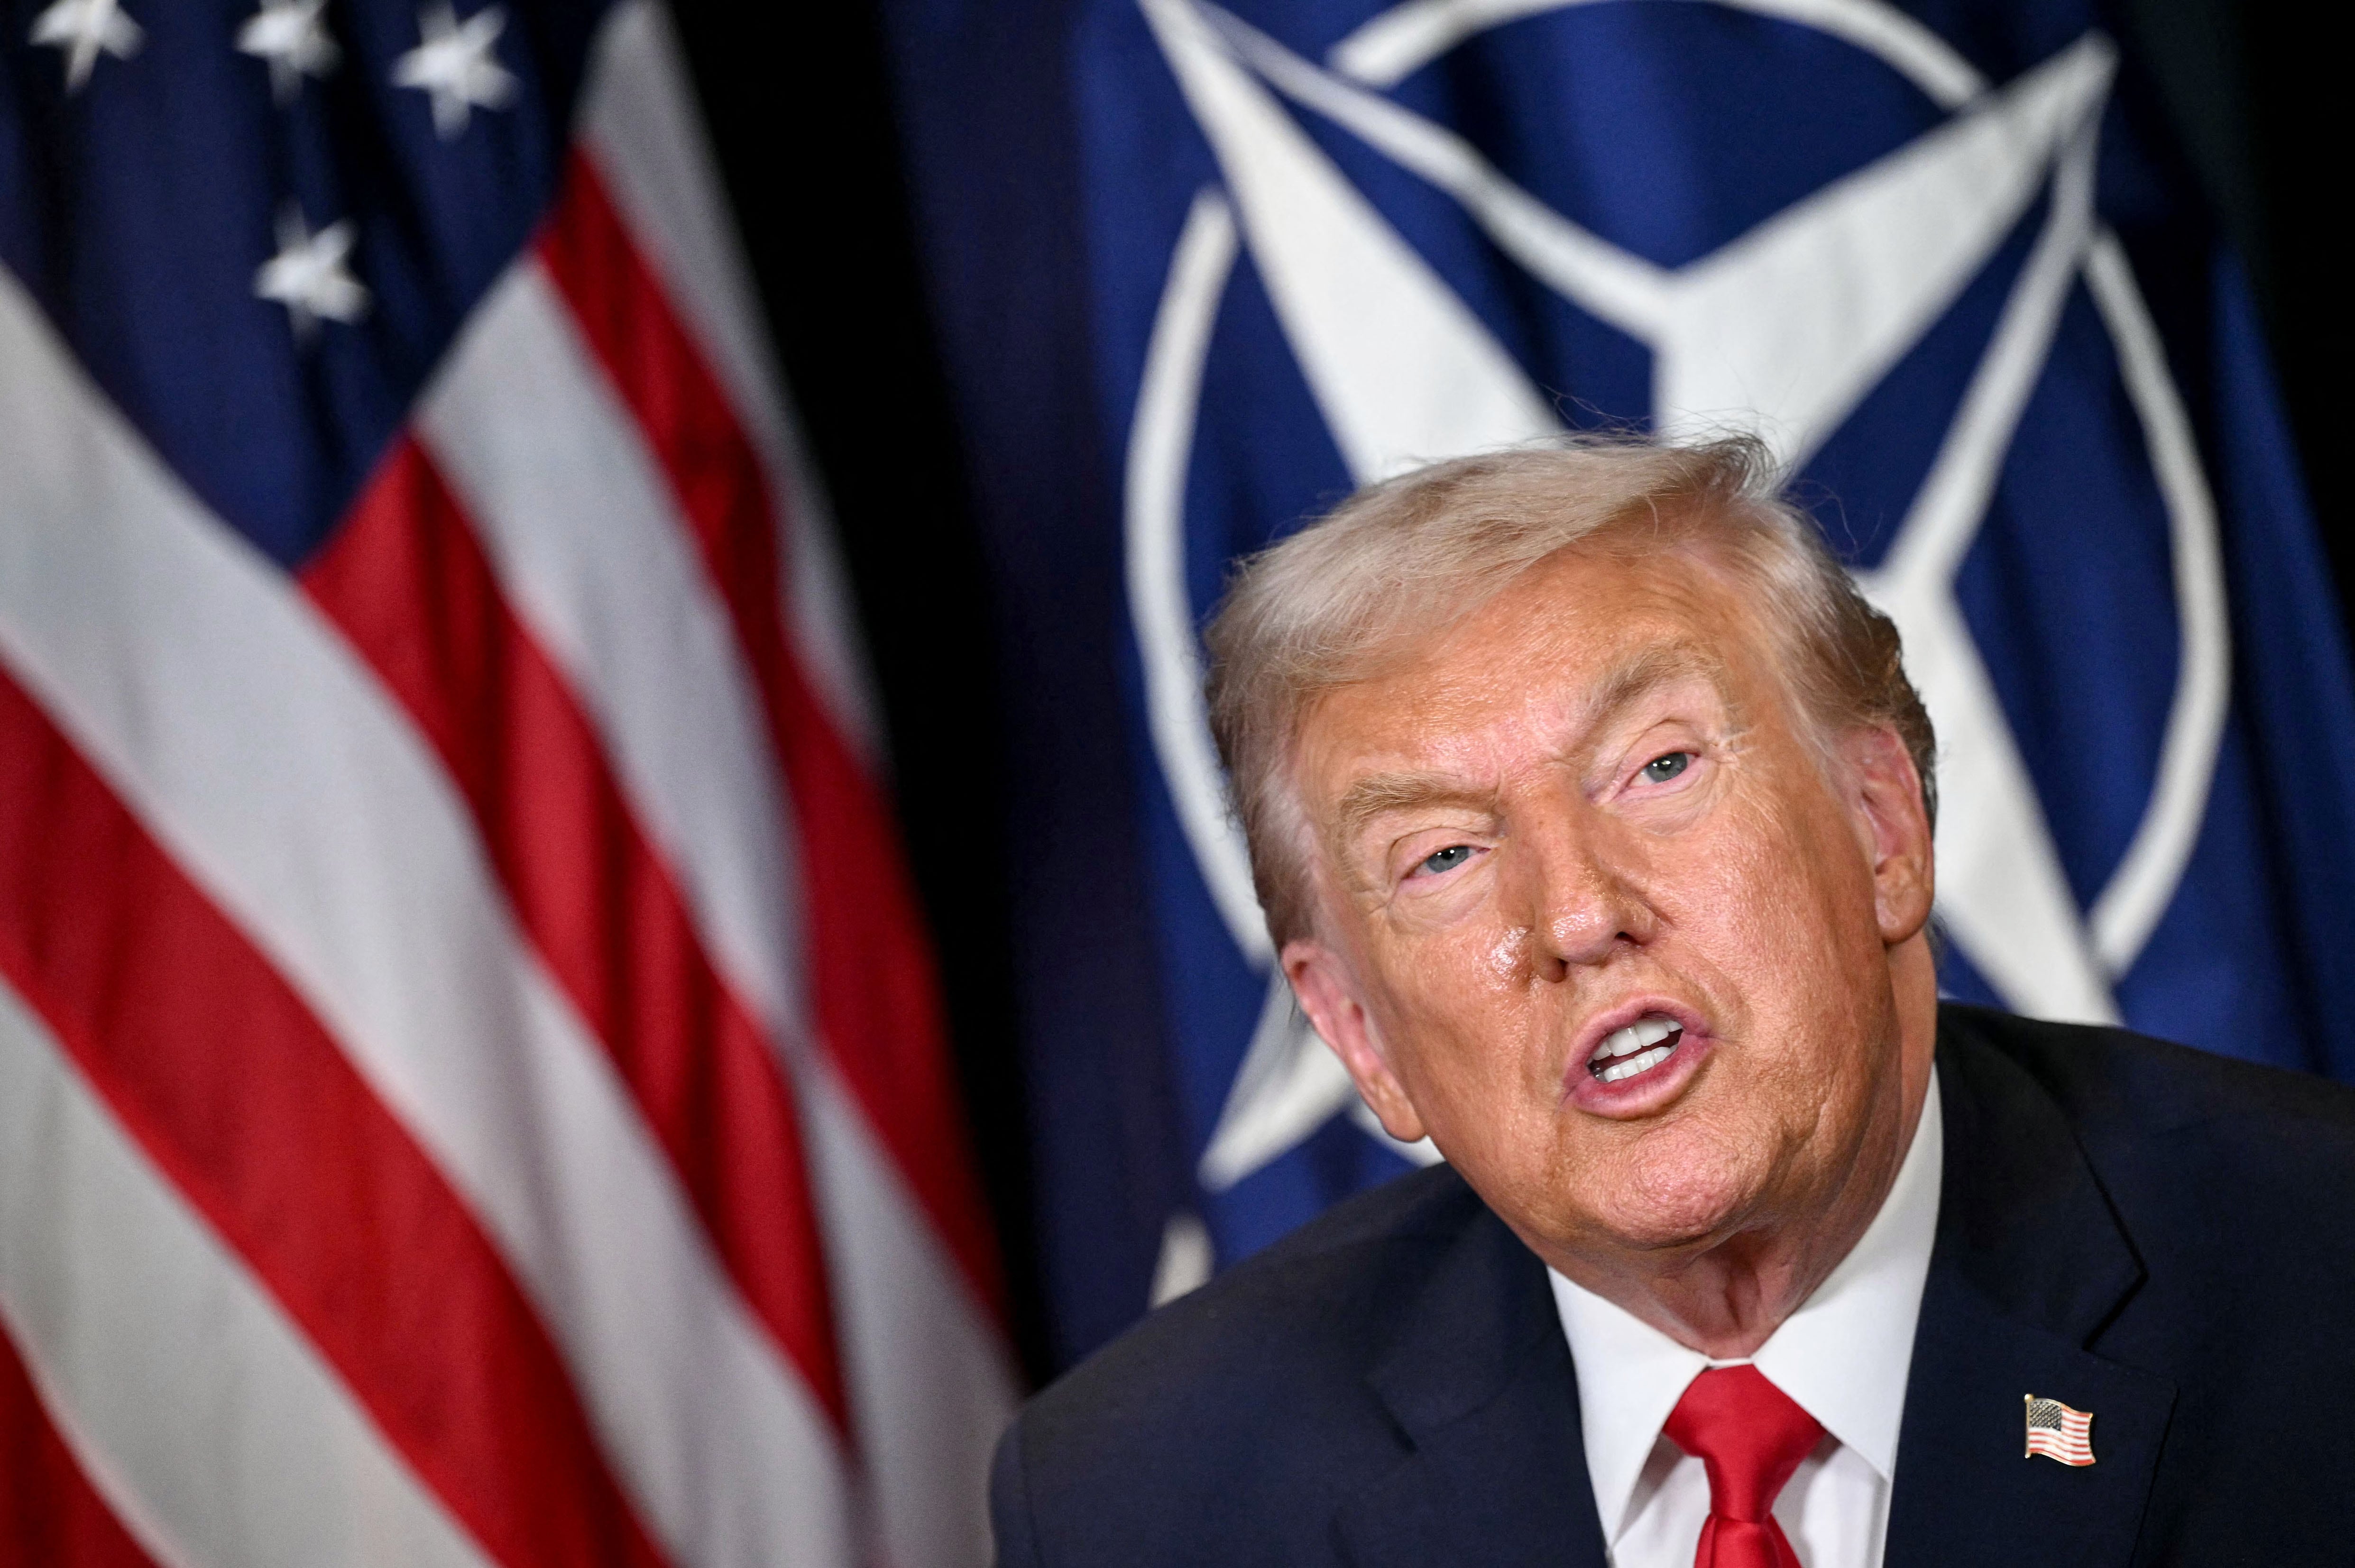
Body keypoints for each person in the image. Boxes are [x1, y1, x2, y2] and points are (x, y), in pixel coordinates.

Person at [987, 436, 2355, 1567]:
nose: (1580, 913)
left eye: (1657, 767)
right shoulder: (1148, 1497)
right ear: (1356, 1032)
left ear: (1883, 828)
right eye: (1446, 856)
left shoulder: (2320, 1281)